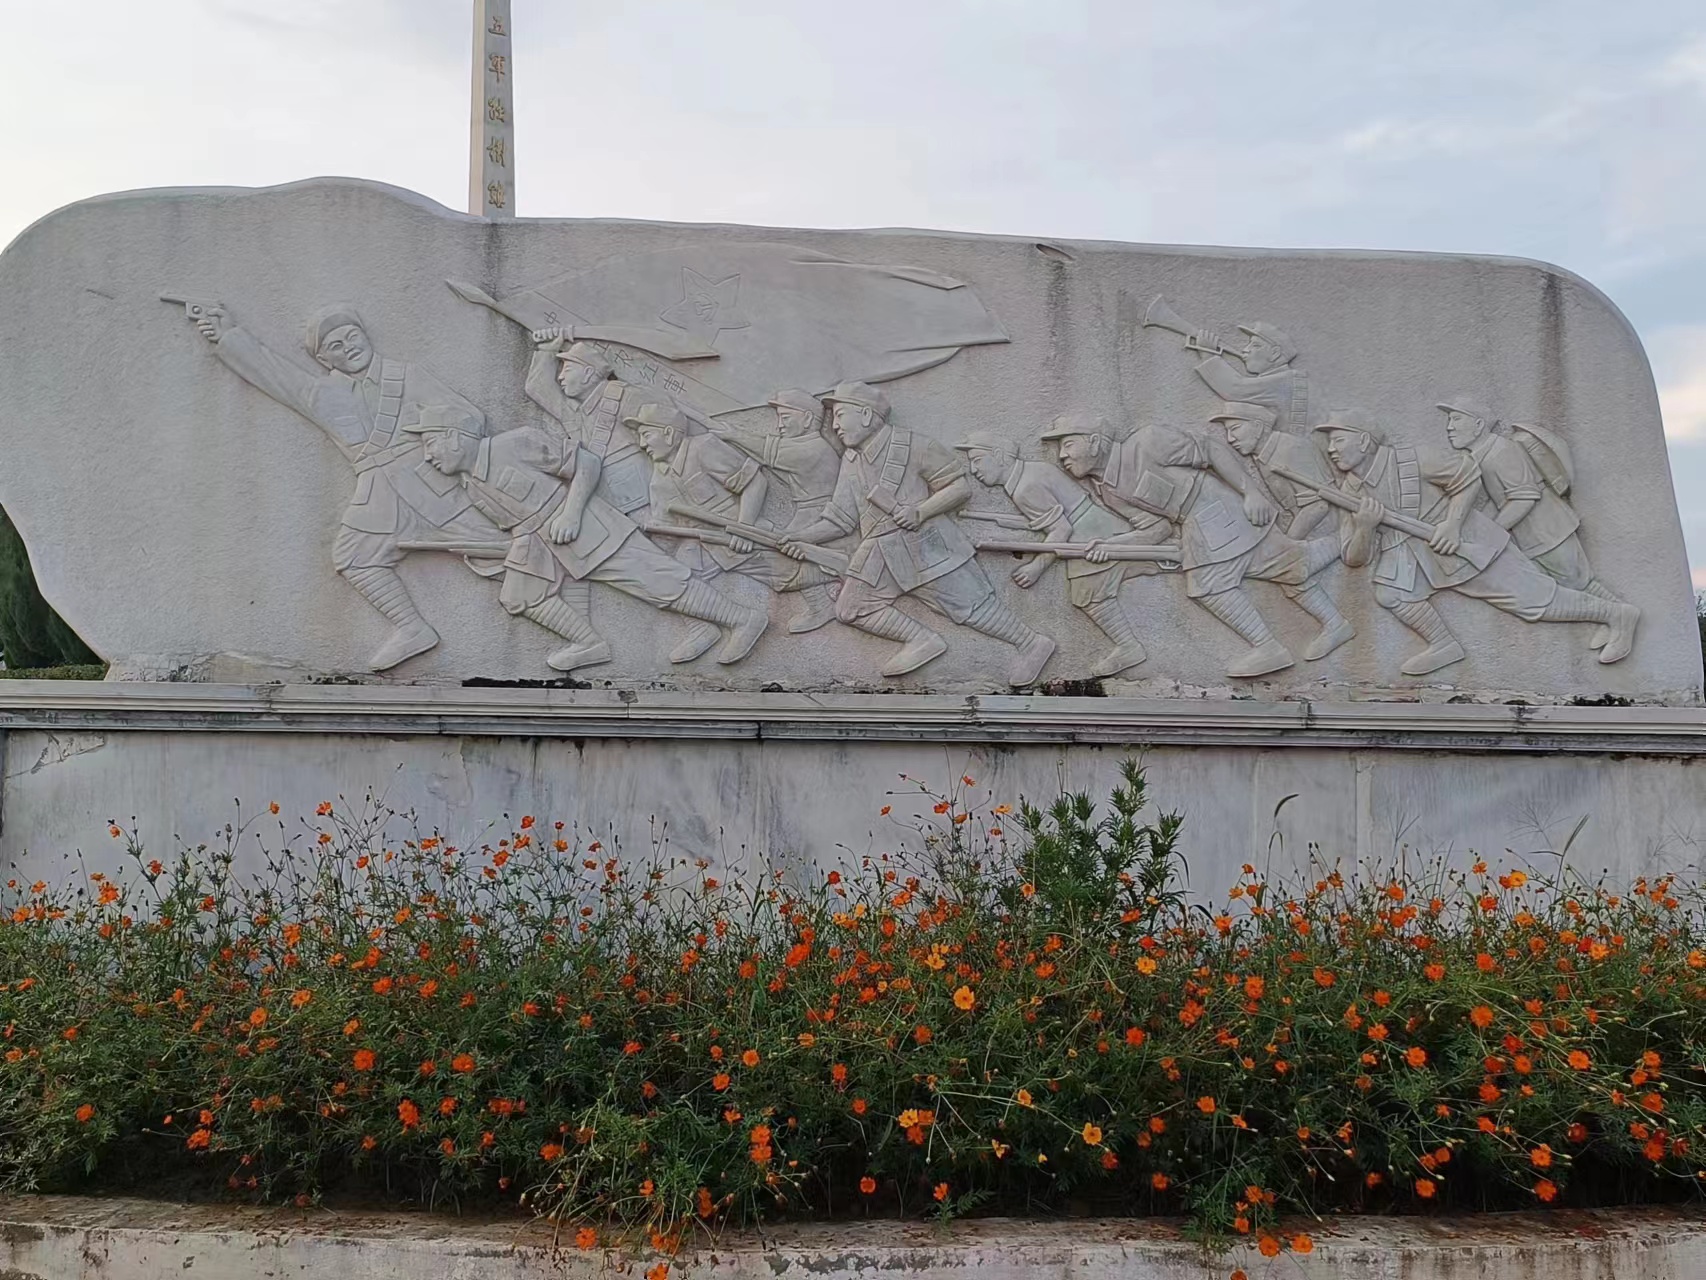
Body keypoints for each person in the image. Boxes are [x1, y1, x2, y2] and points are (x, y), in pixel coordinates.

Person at [181, 302, 506, 670]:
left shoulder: (407, 376)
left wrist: (439, 438)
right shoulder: (323, 394)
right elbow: (274, 373)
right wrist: (228, 336)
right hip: (378, 494)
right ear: (324, 359)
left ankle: (561, 617)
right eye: (335, 345)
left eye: (352, 336)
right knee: (353, 558)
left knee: (502, 552)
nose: (349, 347)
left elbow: (468, 415)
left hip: (431, 483)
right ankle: (412, 627)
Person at [407, 409, 767, 669]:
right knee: (519, 596)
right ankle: (589, 644)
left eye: (431, 442)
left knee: (658, 580)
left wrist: (572, 513)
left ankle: (741, 618)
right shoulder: (470, 484)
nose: (428, 455)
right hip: (538, 541)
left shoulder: (516, 442)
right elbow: (517, 524)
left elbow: (587, 464)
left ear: (454, 436)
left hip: (587, 526)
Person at [1316, 408, 1639, 675]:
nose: (1331, 449)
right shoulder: (1349, 491)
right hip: (1410, 553)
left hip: (1466, 541)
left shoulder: (1413, 459)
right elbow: (1353, 558)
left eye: (1339, 440)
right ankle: (1444, 645)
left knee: (1533, 600)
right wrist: (1365, 528)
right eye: (1330, 443)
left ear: (1363, 441)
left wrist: (1453, 524)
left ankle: (1615, 614)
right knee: (1391, 592)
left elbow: (1468, 477)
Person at [780, 382, 1055, 683]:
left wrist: (920, 511)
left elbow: (959, 487)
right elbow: (841, 519)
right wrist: (799, 538)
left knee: (972, 608)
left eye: (840, 415)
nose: (834, 425)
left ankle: (1032, 642)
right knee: (851, 609)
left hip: (925, 545)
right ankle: (921, 639)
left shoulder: (915, 445)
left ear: (866, 415)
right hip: (880, 549)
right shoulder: (851, 459)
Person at [1047, 417, 1337, 678]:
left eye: (1068, 444)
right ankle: (1338, 604)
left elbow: (1211, 449)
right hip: (1192, 521)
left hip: (1214, 506)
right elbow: (1157, 529)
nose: (1062, 456)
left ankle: (1269, 647)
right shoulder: (1108, 491)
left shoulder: (1147, 441)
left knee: (1210, 584)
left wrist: (1250, 492)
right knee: (1292, 565)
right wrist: (1110, 546)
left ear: (1095, 442)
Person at [626, 400, 837, 649]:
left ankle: (832, 596)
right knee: (672, 578)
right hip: (702, 546)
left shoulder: (703, 447)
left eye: (646, 435)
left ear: (669, 433)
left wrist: (744, 529)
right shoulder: (659, 480)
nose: (642, 444)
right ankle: (703, 628)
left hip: (739, 537)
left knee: (790, 575)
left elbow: (755, 482)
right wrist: (645, 548)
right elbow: (666, 534)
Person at [956, 427, 1151, 677]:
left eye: (977, 460)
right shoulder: (1033, 470)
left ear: (999, 456)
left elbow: (1061, 529)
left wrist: (1036, 567)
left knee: (1088, 596)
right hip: (1097, 525)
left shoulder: (1025, 487)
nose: (974, 470)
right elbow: (1048, 519)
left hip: (1088, 536)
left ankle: (1129, 647)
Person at [1436, 395, 1622, 648]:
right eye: (1449, 420)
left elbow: (1525, 496)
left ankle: (1621, 619)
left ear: (1479, 425)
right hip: (1532, 534)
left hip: (1548, 530)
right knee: (1567, 584)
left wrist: (1492, 532)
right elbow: (1498, 498)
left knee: (1578, 581)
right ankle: (1612, 619)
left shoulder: (1501, 451)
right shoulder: (1482, 455)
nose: (1449, 427)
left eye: (1456, 419)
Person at [1209, 402, 1353, 660]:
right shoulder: (1261, 455)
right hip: (1305, 526)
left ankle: (1333, 626)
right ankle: (1335, 624)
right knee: (1285, 570)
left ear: (1258, 427)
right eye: (1227, 432)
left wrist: (1288, 542)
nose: (1230, 439)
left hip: (1334, 529)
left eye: (1236, 429)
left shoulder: (1291, 449)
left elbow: (1319, 505)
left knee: (1284, 565)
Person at [715, 389, 844, 534]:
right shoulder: (810, 446)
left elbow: (764, 449)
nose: (780, 425)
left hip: (812, 521)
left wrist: (732, 435)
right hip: (806, 517)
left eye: (786, 418)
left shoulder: (812, 449)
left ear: (807, 418)